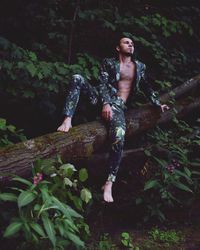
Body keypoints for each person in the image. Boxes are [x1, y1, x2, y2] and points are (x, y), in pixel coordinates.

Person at [57, 37, 169, 203]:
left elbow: (146, 86)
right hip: (101, 100)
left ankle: (109, 182)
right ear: (118, 47)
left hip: (118, 105)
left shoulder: (139, 67)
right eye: (126, 42)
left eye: (132, 43)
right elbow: (101, 84)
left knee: (119, 134)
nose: (130, 45)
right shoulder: (108, 63)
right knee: (77, 78)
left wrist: (157, 103)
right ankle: (67, 119)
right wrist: (106, 103)